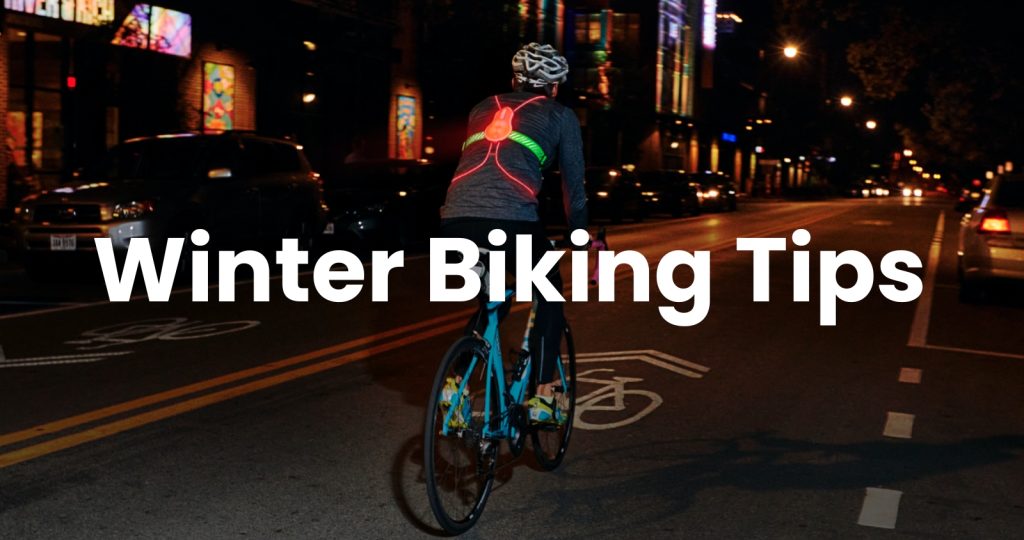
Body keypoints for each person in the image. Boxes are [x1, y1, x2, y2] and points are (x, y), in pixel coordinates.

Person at [439, 42, 588, 424]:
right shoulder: (560, 115)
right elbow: (574, 186)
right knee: (549, 289)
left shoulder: (481, 108)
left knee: (493, 298)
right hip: (510, 219)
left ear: (513, 79)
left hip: (454, 221)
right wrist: (580, 235)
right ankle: (543, 393)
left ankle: (455, 384)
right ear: (555, 87)